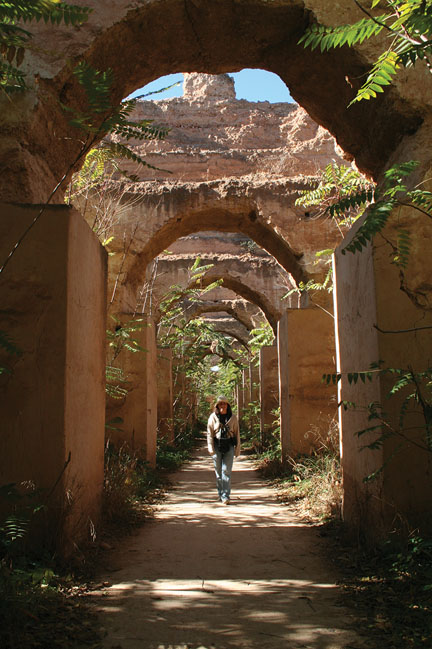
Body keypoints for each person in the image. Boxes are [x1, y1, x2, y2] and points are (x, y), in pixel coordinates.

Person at [207, 395, 241, 505]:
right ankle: (220, 493)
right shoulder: (213, 417)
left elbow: (237, 434)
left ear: (227, 405)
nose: (222, 405)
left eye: (224, 403)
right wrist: (210, 448)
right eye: (220, 404)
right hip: (217, 446)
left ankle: (225, 496)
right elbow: (209, 434)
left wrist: (237, 449)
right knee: (218, 472)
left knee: (226, 471)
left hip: (229, 445)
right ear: (217, 406)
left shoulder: (233, 418)